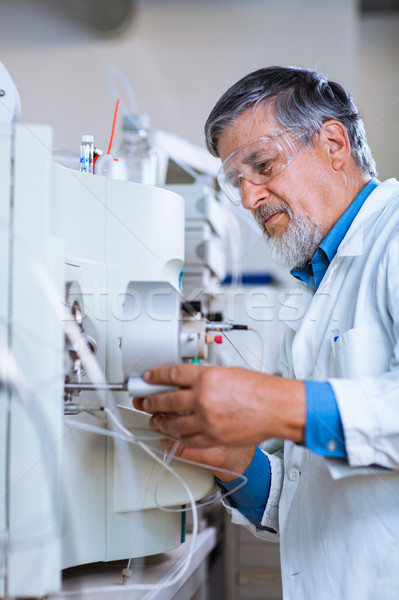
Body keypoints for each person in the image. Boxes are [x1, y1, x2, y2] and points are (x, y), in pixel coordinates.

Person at [133, 66, 399, 599]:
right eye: (237, 182)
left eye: (263, 165)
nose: (252, 197)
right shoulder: (318, 285)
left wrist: (278, 405)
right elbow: (315, 504)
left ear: (333, 143)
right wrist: (233, 463)